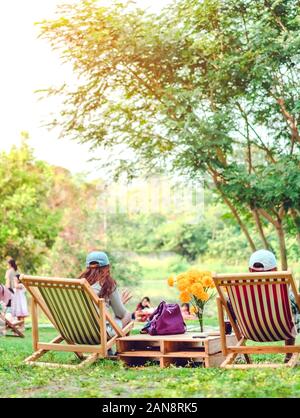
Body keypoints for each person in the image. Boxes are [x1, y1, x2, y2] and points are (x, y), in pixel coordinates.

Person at [248, 249, 300, 363]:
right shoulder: (282, 290)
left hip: (250, 331)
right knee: (293, 305)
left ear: (249, 270)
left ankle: (243, 355)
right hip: (281, 330)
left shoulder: (240, 291)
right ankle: (288, 355)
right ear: (275, 270)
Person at [79, 251, 132, 337]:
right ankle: (121, 350)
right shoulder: (107, 284)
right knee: (128, 315)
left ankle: (108, 351)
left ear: (87, 267)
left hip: (78, 332)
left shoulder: (78, 284)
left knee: (109, 321)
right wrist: (121, 303)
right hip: (101, 334)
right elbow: (120, 313)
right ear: (107, 267)